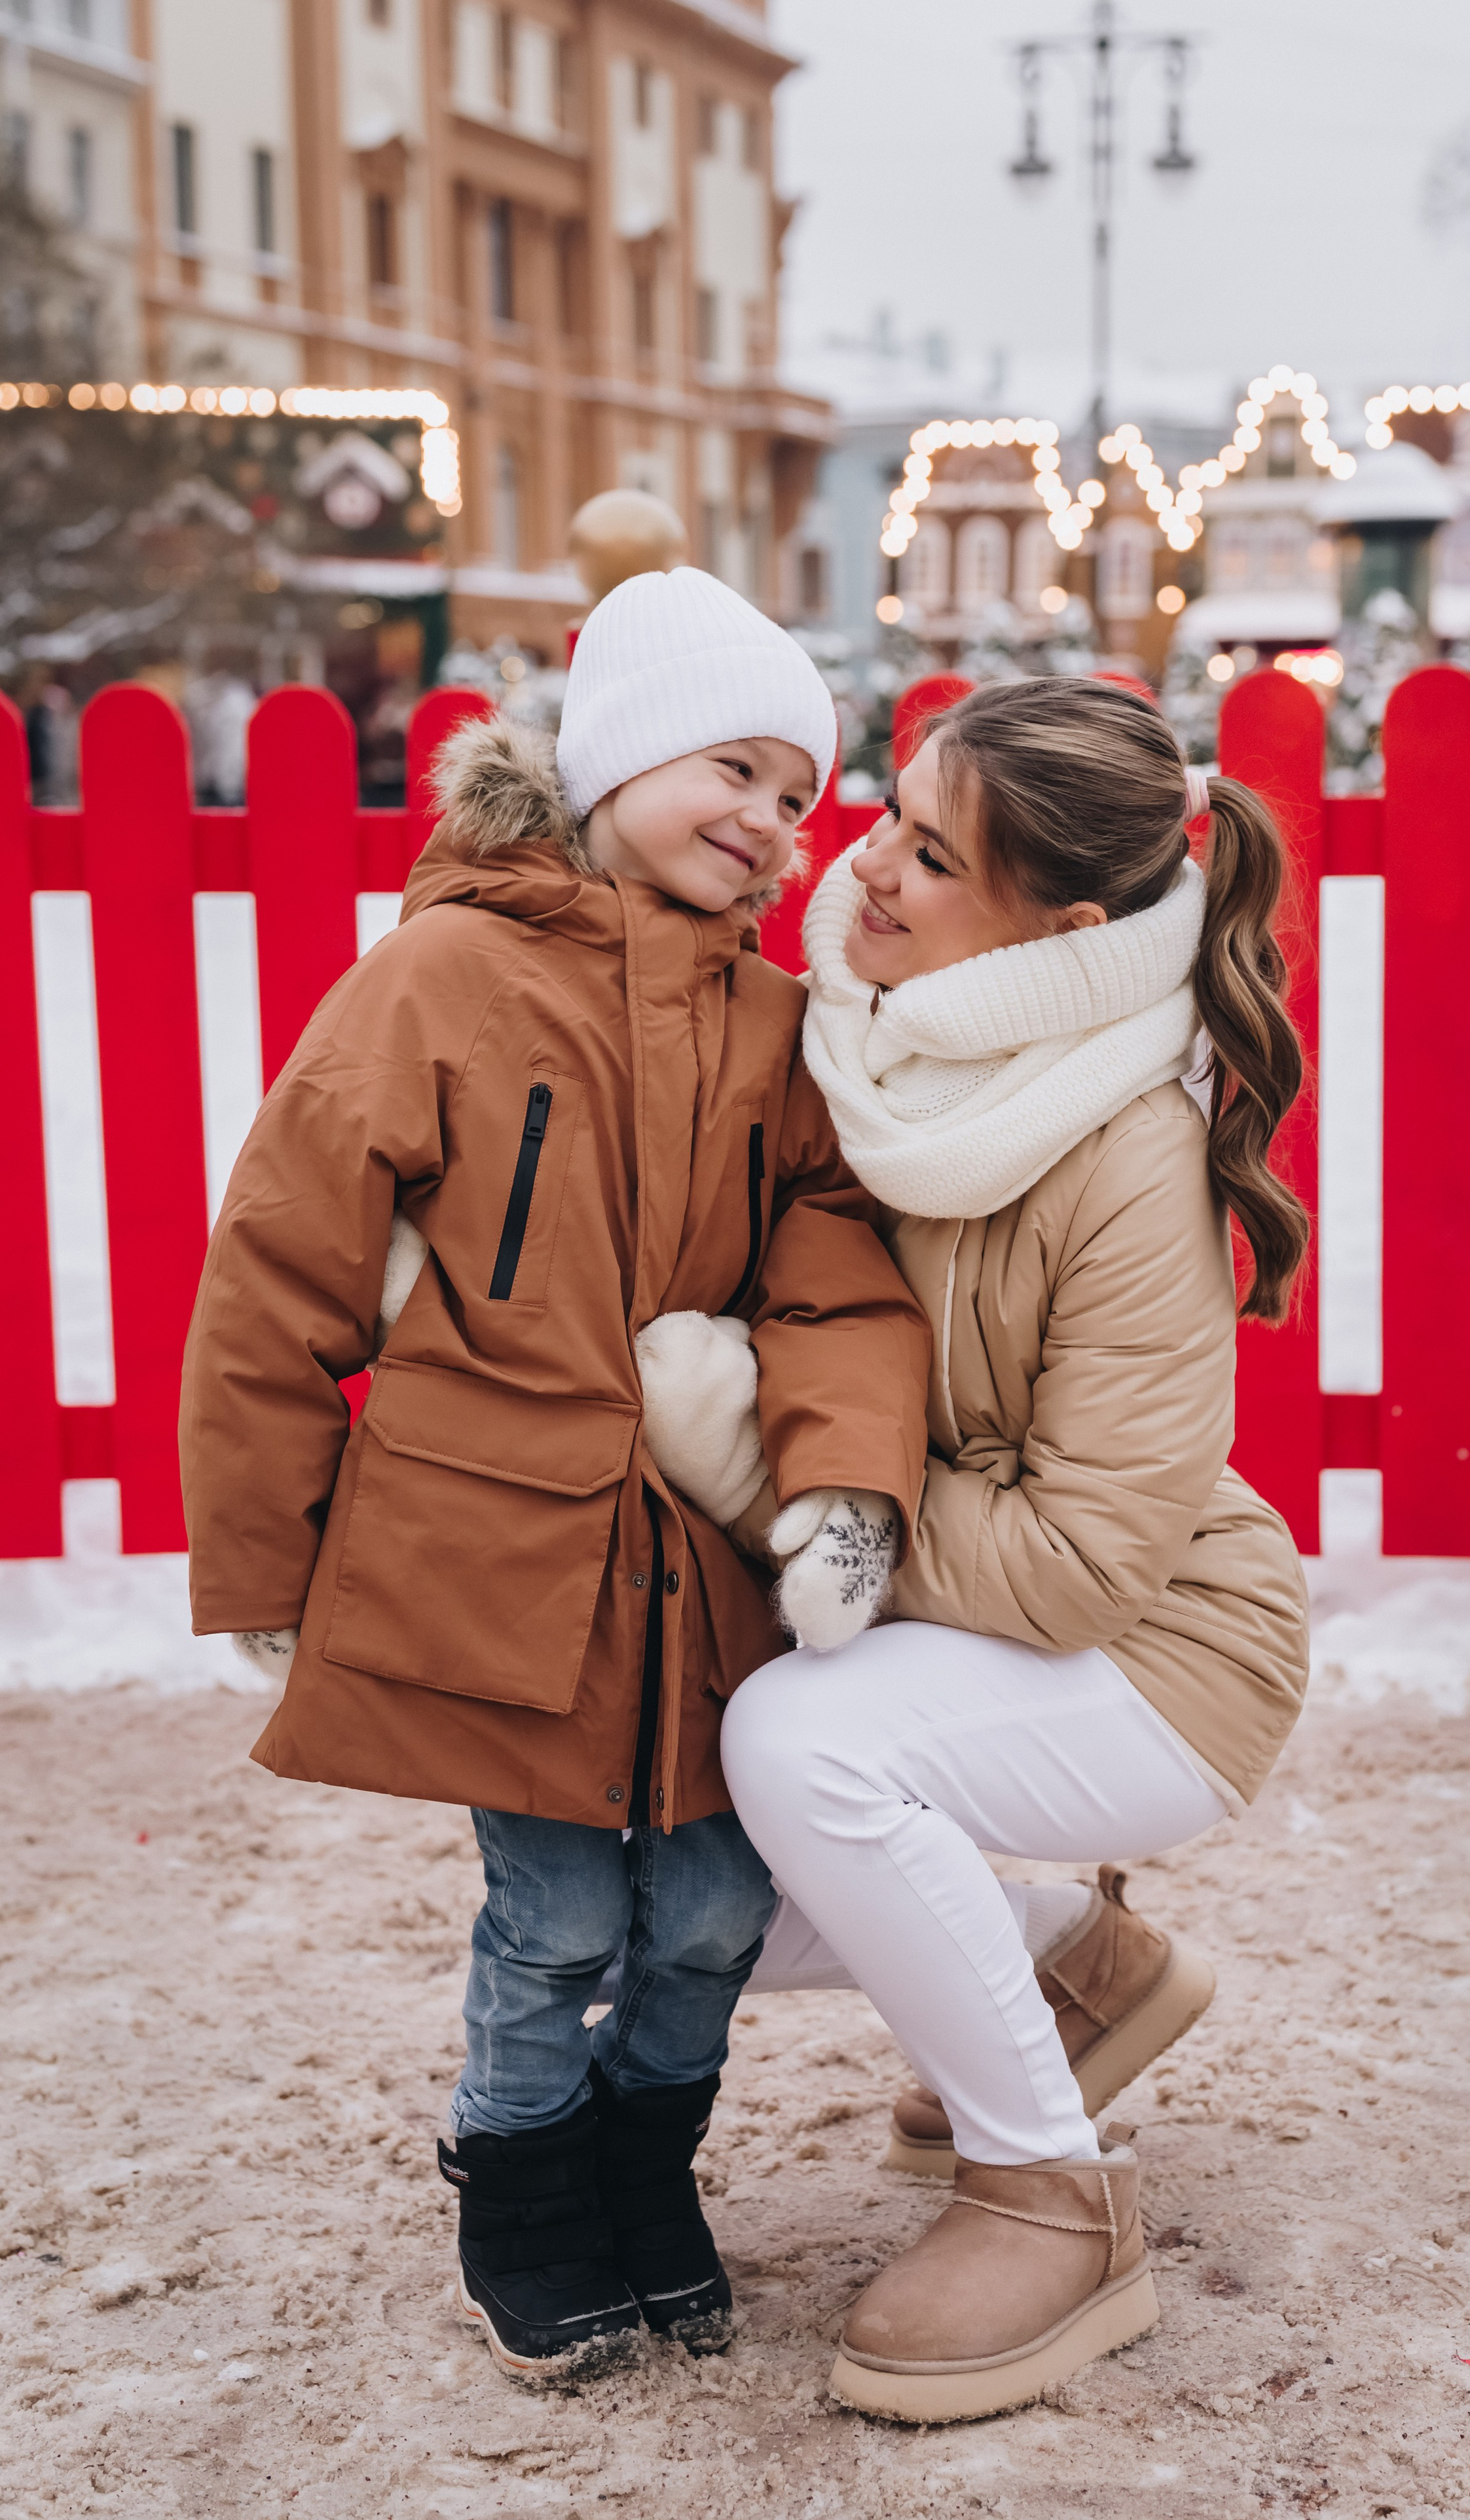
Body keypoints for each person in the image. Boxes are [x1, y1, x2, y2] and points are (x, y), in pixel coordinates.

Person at [177, 567, 931, 2388]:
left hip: (699, 1565)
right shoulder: (441, 975)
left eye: (795, 797)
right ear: (619, 758)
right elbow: (282, 1265)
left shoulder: (771, 1032)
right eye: (731, 771)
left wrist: (837, 1481)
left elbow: (834, 1272)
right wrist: (262, 1567)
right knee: (561, 1918)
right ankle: (520, 2191)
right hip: (493, 1552)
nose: (766, 824)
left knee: (718, 1910)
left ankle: (644, 2173)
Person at [712, 677, 1312, 2422]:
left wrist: (777, 1473)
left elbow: (1074, 1567)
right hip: (935, 1599)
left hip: (1157, 1657)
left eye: (934, 860)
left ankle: (1053, 2197)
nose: (872, 873)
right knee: (645, 1852)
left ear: (1058, 932)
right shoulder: (861, 1033)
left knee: (800, 1749)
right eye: (893, 820)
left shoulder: (1127, 1147)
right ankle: (1066, 1961)